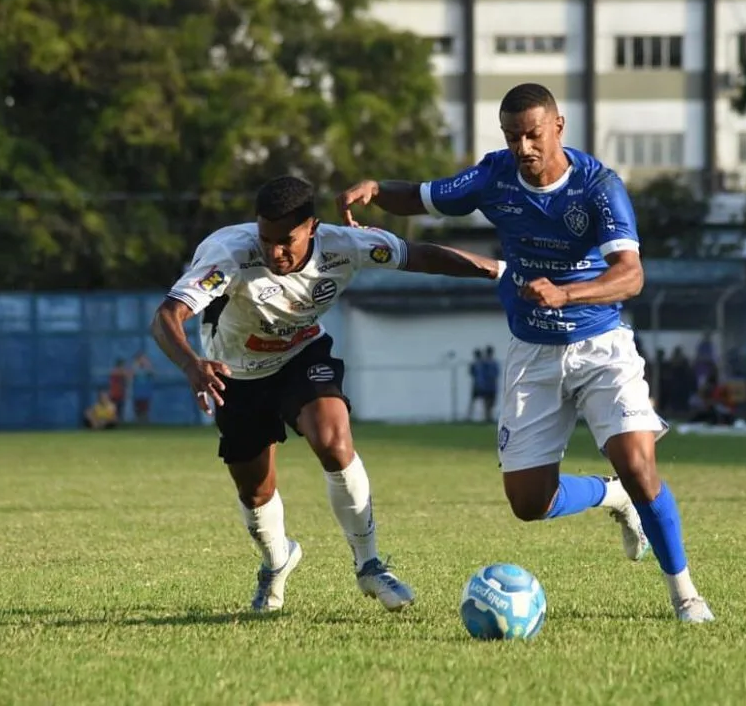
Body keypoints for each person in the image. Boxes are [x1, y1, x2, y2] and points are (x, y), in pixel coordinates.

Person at [337, 82, 713, 623]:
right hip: (533, 352)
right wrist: (376, 189)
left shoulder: (598, 186)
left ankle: (685, 595)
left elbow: (630, 277)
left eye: (532, 134)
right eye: (512, 136)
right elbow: (422, 195)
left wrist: (566, 293)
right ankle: (613, 498)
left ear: (558, 127)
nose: (523, 148)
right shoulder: (494, 176)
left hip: (600, 345)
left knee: (637, 463)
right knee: (528, 503)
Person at [150, 175, 502, 613]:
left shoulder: (346, 245)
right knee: (255, 492)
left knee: (333, 441)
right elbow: (167, 316)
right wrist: (191, 364)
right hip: (234, 375)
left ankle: (369, 564)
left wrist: (499, 270)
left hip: (302, 355)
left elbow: (421, 255)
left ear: (313, 228)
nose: (274, 251)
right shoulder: (229, 254)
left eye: (286, 241)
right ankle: (277, 561)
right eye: (266, 238)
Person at [131, 353, 155, 424]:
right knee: (137, 410)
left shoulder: (148, 368)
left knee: (145, 409)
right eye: (140, 359)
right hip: (137, 393)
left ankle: (145, 422)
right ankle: (138, 423)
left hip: (146, 393)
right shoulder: (135, 367)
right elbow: (131, 376)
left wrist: (147, 365)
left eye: (143, 359)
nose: (142, 360)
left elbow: (153, 374)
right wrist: (136, 364)